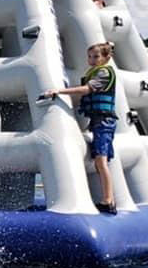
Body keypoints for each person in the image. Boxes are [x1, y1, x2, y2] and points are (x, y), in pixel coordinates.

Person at [40, 42, 117, 214]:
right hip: (98, 121)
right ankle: (108, 199)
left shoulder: (104, 73)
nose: (92, 60)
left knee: (101, 161)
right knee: (99, 161)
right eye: (89, 57)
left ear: (107, 57)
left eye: (96, 56)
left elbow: (87, 89)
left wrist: (59, 91)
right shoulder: (95, 72)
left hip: (104, 122)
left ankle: (108, 201)